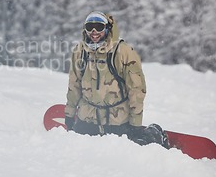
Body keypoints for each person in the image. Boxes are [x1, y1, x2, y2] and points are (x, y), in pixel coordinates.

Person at [65, 11, 169, 148]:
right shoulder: (80, 52)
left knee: (133, 148)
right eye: (90, 27)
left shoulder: (123, 52)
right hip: (88, 119)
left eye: (99, 27)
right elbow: (74, 85)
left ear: (107, 28)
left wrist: (135, 124)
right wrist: (69, 113)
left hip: (116, 121)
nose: (94, 31)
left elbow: (136, 89)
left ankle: (155, 135)